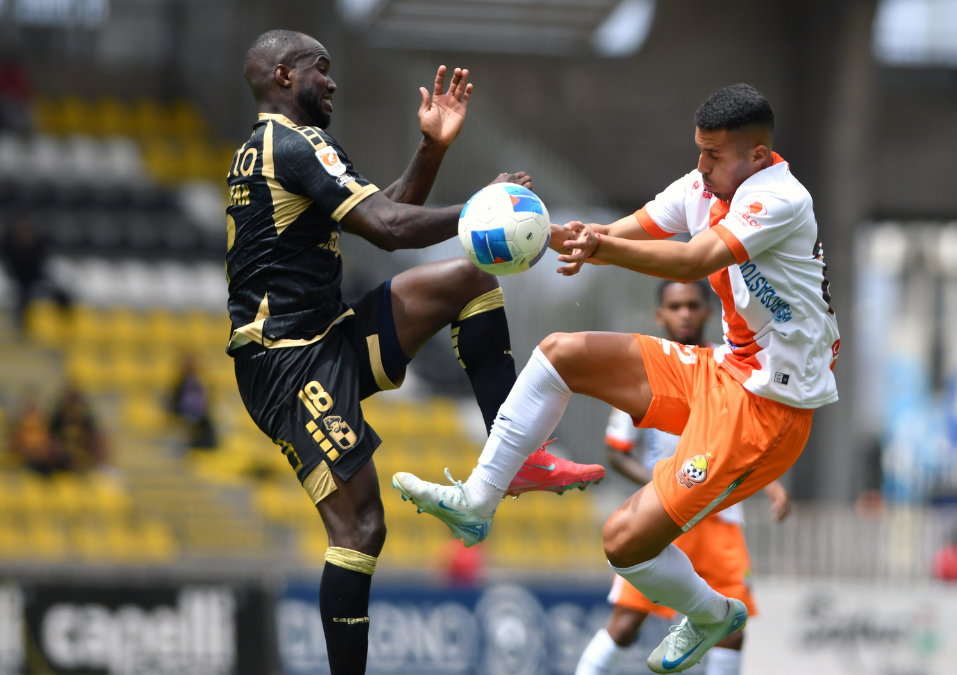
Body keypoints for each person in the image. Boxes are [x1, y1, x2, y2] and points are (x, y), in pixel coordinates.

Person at [394, 83, 840, 673]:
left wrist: (601, 247)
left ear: (756, 157)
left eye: (714, 156)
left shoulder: (781, 198)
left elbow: (691, 260)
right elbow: (628, 230)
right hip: (725, 368)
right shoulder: (703, 184)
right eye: (699, 152)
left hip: (768, 409)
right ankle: (477, 501)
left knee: (623, 542)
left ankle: (711, 614)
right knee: (561, 353)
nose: (701, 167)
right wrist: (548, 233)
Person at [226, 30, 602, 675]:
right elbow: (390, 230)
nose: (333, 81)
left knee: (471, 278)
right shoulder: (290, 144)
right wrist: (485, 211)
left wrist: (432, 148)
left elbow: (386, 211)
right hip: (286, 361)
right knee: (361, 529)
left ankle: (514, 452)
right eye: (322, 69)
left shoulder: (281, 147)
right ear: (285, 77)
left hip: (328, 334)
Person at [575, 280, 791, 675]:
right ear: (661, 315)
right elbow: (618, 452)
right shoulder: (648, 370)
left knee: (732, 629)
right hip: (669, 513)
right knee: (625, 625)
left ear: (709, 311)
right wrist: (663, 489)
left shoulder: (734, 365)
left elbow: (751, 435)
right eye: (675, 306)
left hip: (721, 520)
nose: (685, 313)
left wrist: (771, 484)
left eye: (692, 304)